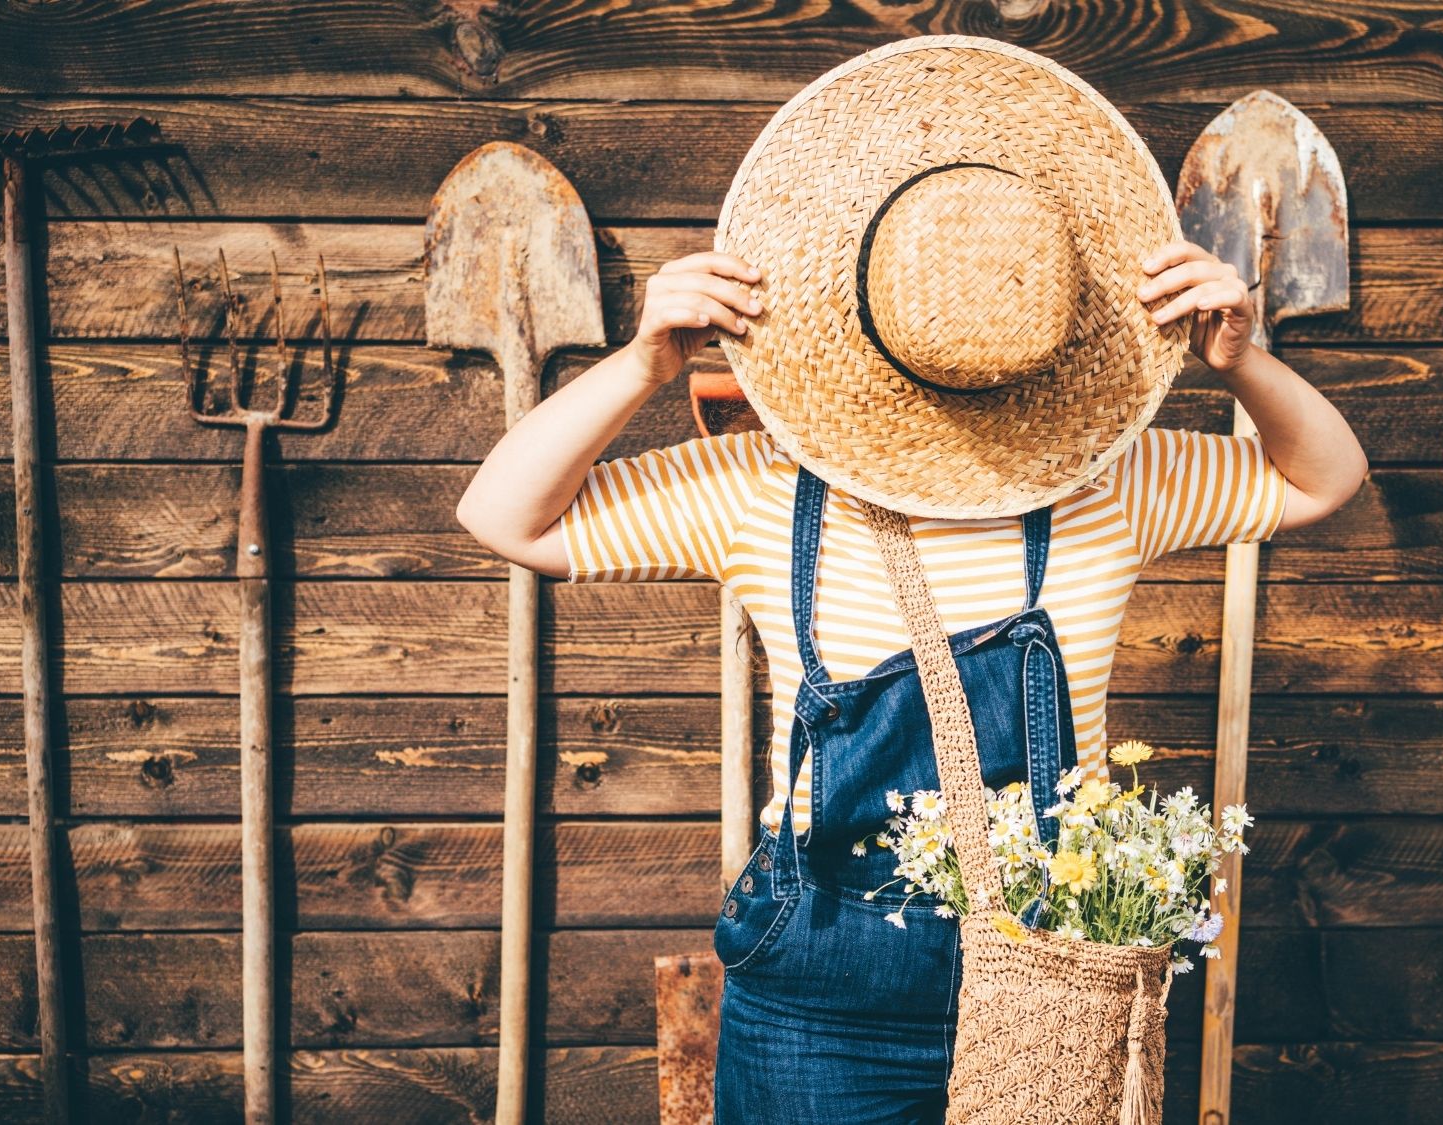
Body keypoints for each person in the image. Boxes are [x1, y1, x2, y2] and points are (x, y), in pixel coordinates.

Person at [457, 35, 1364, 1125]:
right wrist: (645, 363)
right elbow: (501, 513)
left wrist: (1242, 360)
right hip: (812, 1015)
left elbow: (1322, 481)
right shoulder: (761, 487)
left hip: (1045, 991)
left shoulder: (1108, 483)